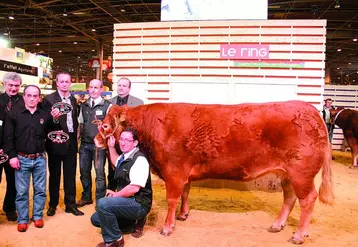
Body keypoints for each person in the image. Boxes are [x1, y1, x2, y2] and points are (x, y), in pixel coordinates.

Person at [3, 85, 61, 232]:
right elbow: (8, 138)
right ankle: (22, 219)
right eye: (29, 95)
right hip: (21, 158)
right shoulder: (14, 114)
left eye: (35, 96)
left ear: (39, 97)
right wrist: (12, 156)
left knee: (40, 190)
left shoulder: (45, 113)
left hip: (40, 158)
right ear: (24, 97)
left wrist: (55, 120)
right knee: (21, 191)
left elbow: (53, 131)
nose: (32, 98)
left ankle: (37, 216)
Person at [91, 128, 152, 247]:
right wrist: (111, 147)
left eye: (127, 140)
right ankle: (131, 223)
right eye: (121, 139)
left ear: (135, 143)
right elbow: (116, 161)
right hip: (127, 201)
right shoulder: (125, 157)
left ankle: (115, 240)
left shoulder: (139, 160)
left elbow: (134, 188)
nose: (123, 143)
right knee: (96, 219)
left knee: (103, 204)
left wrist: (116, 195)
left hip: (139, 204)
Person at [43, 72, 84, 216]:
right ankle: (52, 204)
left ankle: (70, 204)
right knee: (54, 175)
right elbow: (45, 123)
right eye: (62, 82)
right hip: (55, 142)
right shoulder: (48, 100)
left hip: (72, 143)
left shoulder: (73, 99)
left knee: (70, 175)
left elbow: (73, 120)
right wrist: (54, 119)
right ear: (57, 83)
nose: (65, 84)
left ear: (70, 83)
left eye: (67, 81)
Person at [76, 79, 112, 207]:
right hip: (84, 145)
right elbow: (80, 124)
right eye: (90, 87)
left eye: (96, 87)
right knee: (84, 172)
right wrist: (76, 140)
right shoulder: (84, 105)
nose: (92, 90)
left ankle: (100, 201)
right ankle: (86, 197)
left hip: (99, 146)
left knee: (100, 174)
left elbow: (110, 127)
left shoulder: (107, 106)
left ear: (101, 90)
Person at [107, 77, 144, 190]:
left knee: (129, 166)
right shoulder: (109, 102)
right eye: (119, 85)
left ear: (129, 88)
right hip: (114, 142)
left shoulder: (138, 103)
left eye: (124, 86)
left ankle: (128, 191)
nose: (121, 88)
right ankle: (112, 190)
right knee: (112, 167)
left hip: (130, 142)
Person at [0, 72, 24, 222]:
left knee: (14, 182)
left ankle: (9, 208)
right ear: (4, 84)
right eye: (10, 85)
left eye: (16, 85)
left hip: (14, 151)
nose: (13, 88)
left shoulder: (24, 102)